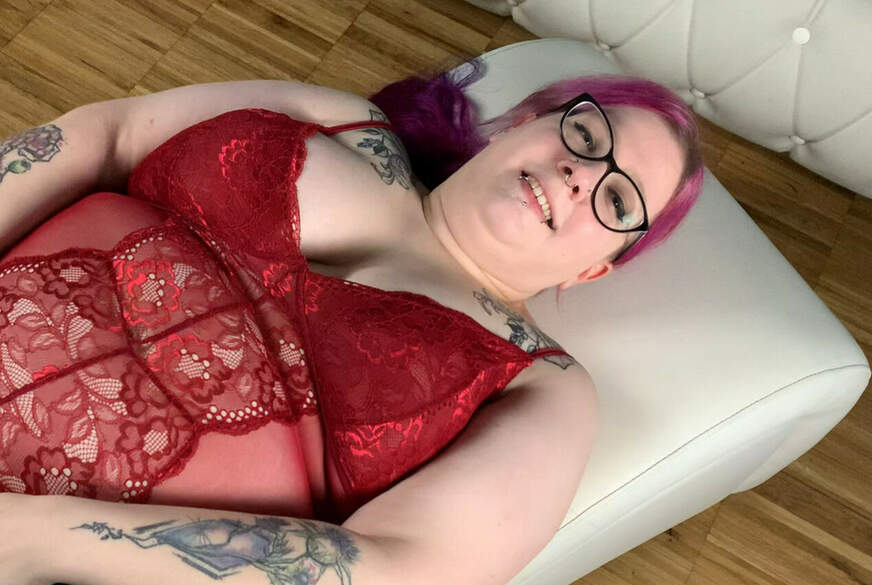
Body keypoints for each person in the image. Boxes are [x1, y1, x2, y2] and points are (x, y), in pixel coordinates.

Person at [0, 62, 703, 585]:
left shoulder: (548, 388)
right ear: (525, 122)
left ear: (593, 270)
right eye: (586, 133)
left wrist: (35, 540)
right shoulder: (341, 119)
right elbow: (108, 133)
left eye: (618, 200)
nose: (582, 174)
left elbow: (404, 569)